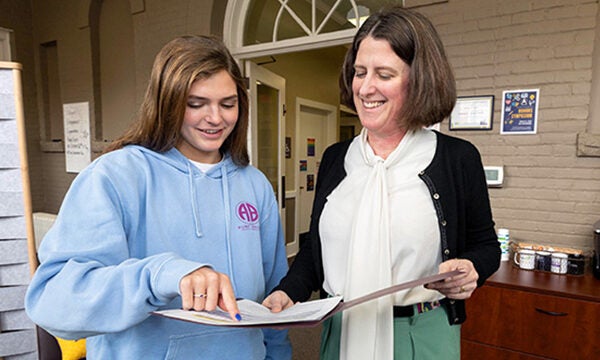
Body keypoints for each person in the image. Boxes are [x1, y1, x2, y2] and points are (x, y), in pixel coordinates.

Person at [25, 35, 291, 359]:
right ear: (168, 103)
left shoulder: (256, 185)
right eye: (196, 104)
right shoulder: (116, 175)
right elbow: (53, 300)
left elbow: (272, 301)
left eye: (228, 103)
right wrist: (160, 276)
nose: (216, 118)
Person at [263, 6, 500, 360]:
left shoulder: (457, 158)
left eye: (384, 74)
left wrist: (471, 269)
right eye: (360, 72)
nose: (365, 87)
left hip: (421, 337)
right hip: (340, 331)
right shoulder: (335, 158)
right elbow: (315, 251)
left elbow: (485, 246)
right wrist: (286, 292)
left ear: (419, 79)